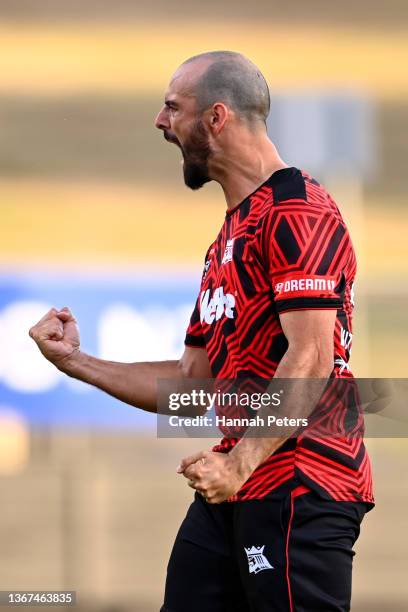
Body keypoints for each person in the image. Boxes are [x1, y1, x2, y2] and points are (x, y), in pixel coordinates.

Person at [29, 51, 374, 612]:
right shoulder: (227, 241)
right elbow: (194, 386)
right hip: (239, 484)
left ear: (216, 118)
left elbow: (311, 359)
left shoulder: (297, 212)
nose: (160, 122)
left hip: (300, 482)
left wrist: (238, 466)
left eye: (172, 106)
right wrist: (77, 362)